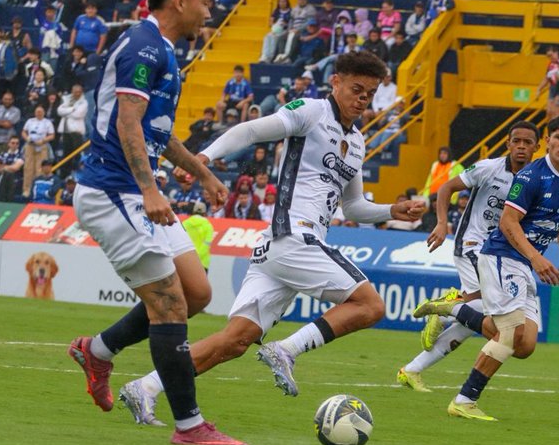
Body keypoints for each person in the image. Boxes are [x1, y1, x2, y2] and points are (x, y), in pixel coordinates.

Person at [117, 51, 425, 419]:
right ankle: (287, 350)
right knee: (371, 305)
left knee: (234, 341)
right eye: (356, 90)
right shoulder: (311, 111)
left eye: (369, 94)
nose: (362, 100)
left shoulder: (356, 142)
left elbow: (354, 206)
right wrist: (206, 158)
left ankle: (145, 387)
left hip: (282, 248)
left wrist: (393, 210)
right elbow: (250, 130)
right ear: (336, 82)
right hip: (294, 235)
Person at [65, 0, 245, 445]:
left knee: (197, 293)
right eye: (206, 0)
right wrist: (149, 190)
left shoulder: (162, 50)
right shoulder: (144, 47)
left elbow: (154, 134)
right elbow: (127, 124)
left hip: (135, 190)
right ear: (180, 0)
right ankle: (190, 426)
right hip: (113, 191)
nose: (211, 9)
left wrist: (202, 171)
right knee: (169, 305)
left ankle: (97, 350)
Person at [415, 115, 559, 421]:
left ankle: (455, 309)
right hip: (502, 257)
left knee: (525, 345)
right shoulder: (531, 177)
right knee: (508, 334)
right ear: (548, 142)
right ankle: (465, 400)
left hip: (525, 262)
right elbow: (508, 223)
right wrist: (536, 258)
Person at [396, 123, 540, 392]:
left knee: (475, 322)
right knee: (489, 311)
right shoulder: (489, 168)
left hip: (501, 254)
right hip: (473, 245)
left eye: (527, 142)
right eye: (516, 141)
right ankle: (450, 304)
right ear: (508, 143)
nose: (521, 146)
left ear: (536, 147)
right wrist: (441, 223)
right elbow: (446, 188)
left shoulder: (535, 179)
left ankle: (412, 369)